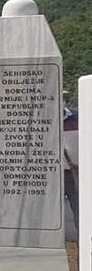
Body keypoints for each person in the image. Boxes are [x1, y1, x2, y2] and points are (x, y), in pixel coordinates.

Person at [63, 97, 79, 232]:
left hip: (76, 173)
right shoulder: (38, 119)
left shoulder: (78, 117)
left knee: (81, 214)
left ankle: (85, 250)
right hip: (49, 175)